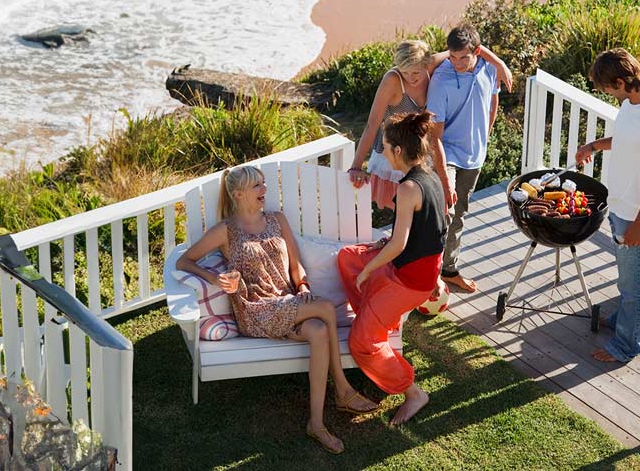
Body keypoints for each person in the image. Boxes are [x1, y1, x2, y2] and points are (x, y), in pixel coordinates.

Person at [175, 165, 378, 454]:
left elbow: (295, 264)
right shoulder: (226, 231)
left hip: (286, 301)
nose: (264, 190)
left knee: (319, 330)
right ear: (238, 194)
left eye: (263, 183)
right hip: (255, 310)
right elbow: (184, 262)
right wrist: (215, 278)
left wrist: (303, 286)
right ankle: (343, 389)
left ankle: (316, 424)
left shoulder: (277, 220)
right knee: (325, 308)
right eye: (257, 186)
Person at [338, 111, 447, 426]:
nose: (384, 153)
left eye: (385, 147)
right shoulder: (428, 176)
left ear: (398, 151)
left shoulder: (409, 188)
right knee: (347, 257)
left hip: (411, 280)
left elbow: (400, 245)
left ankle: (413, 392)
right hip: (412, 266)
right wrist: (373, 255)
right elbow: (428, 230)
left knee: (360, 342)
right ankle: (377, 320)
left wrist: (367, 270)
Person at [574, 48, 640, 363]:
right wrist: (593, 146)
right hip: (621, 208)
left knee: (636, 286)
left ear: (620, 81)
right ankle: (622, 321)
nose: (606, 94)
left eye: (607, 88)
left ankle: (627, 346)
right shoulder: (631, 104)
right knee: (627, 279)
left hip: (635, 215)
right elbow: (625, 140)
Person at [348, 39, 512, 210]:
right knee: (398, 208)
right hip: (392, 152)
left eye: (416, 73)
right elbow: (372, 125)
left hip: (418, 151)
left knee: (420, 208)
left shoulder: (431, 65)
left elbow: (466, 48)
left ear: (425, 64)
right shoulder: (392, 80)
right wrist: (356, 167)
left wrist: (500, 64)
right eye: (405, 72)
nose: (411, 78)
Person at [427, 23, 501, 292]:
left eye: (463, 57)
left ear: (477, 53)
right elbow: (434, 136)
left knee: (459, 215)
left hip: (474, 154)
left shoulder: (490, 68)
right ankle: (427, 276)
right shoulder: (441, 81)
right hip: (447, 154)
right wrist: (445, 180)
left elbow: (493, 102)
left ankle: (448, 269)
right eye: (452, 56)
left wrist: (485, 136)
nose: (457, 63)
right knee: (442, 214)